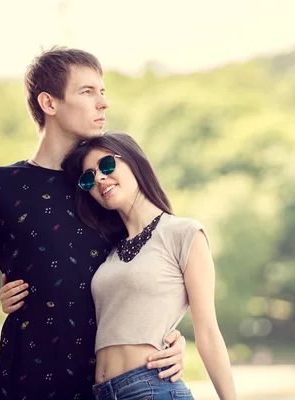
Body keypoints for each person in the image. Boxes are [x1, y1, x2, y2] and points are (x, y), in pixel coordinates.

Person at [0, 47, 186, 400]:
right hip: (24, 379)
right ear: (49, 103)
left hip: (111, 387)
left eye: (103, 92)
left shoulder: (107, 183)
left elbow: (157, 268)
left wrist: (172, 338)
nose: (103, 103)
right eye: (87, 91)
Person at [61, 131, 237, 400]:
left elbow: (209, 333)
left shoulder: (184, 233)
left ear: (133, 161)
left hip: (152, 388)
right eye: (88, 178)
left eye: (106, 165)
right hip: (101, 393)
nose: (98, 178)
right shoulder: (108, 251)